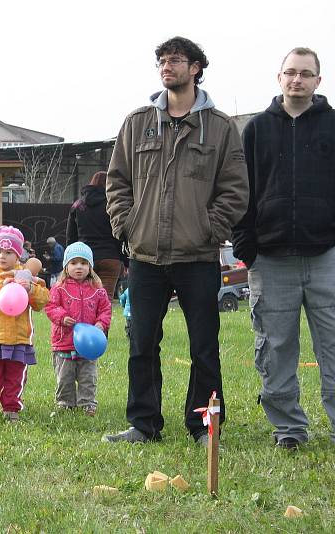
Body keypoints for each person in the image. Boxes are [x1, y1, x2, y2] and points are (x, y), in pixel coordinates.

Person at [104, 37, 248, 445]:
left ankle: (204, 425)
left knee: (204, 346)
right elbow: (117, 181)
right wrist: (126, 225)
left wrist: (209, 228)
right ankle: (144, 424)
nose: (167, 67)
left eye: (176, 61)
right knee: (142, 344)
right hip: (146, 255)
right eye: (162, 61)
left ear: (197, 68)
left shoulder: (219, 127)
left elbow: (235, 190)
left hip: (197, 256)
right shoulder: (137, 123)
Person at [231, 47, 335, 450]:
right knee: (275, 349)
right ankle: (289, 429)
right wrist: (247, 245)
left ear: (318, 82)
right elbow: (242, 191)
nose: (298, 80)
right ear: (279, 78)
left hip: (326, 256)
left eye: (306, 74)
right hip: (270, 261)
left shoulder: (332, 126)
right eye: (290, 72)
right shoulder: (257, 129)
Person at [0, 226, 49, 422]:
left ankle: (11, 407)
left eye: (8, 252)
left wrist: (31, 288)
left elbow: (43, 300)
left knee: (15, 377)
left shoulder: (25, 275)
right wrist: (2, 286)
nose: (2, 256)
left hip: (19, 338)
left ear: (17, 255)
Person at [44, 242, 111, 416]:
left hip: (89, 345)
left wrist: (100, 324)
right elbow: (50, 306)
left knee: (88, 376)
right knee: (65, 376)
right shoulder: (59, 288)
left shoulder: (98, 291)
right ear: (66, 266)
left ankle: (87, 403)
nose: (79, 267)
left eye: (83, 263)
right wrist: (61, 316)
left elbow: (105, 310)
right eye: (74, 263)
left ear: (90, 266)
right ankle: (65, 403)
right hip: (64, 342)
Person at [68, 171, 124, 301]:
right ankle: (101, 322)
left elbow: (71, 236)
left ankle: (84, 322)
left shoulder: (77, 205)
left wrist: (71, 259)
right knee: (105, 300)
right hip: (110, 257)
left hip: (85, 257)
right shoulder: (112, 205)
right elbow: (118, 233)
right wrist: (124, 261)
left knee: (84, 298)